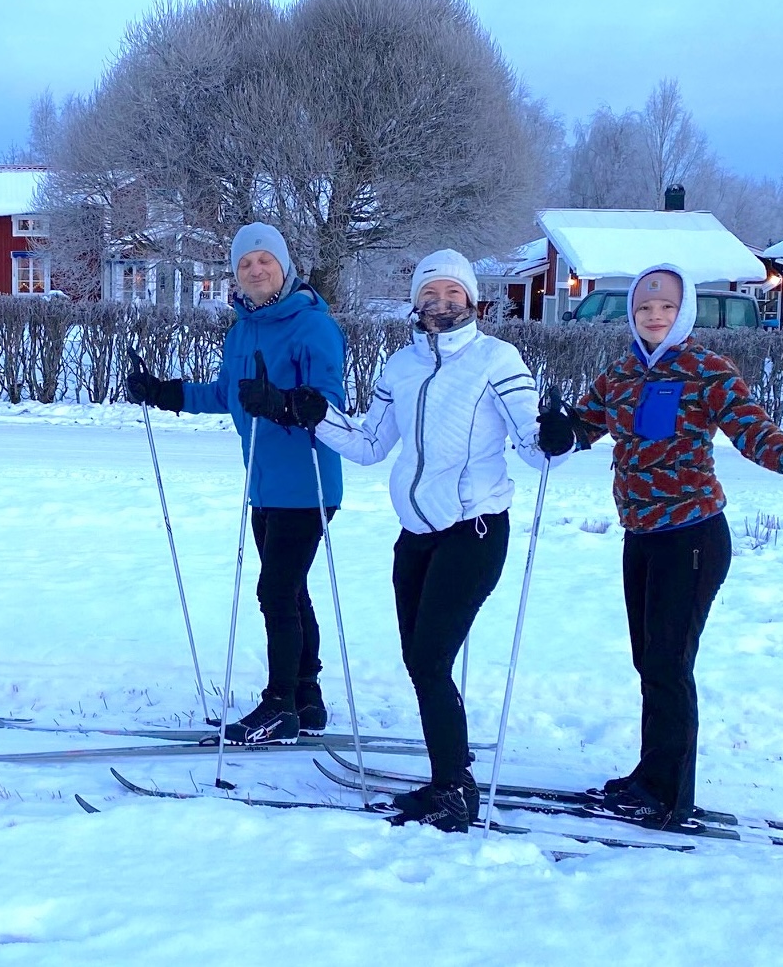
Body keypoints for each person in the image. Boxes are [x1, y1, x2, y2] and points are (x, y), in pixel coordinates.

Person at [246, 249, 575, 831]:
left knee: (429, 659)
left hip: (474, 530)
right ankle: (450, 772)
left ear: (472, 300)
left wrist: (556, 434)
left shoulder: (497, 359)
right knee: (421, 662)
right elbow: (370, 444)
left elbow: (535, 447)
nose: (441, 304)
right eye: (430, 294)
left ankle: (454, 788)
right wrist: (305, 410)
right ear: (417, 303)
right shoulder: (400, 367)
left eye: (453, 294)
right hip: (415, 536)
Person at [568, 264, 783, 826]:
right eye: (645, 308)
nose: (655, 316)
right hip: (640, 535)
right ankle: (650, 774)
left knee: (669, 662)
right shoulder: (620, 373)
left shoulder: (707, 370)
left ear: (684, 311)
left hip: (692, 535)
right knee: (650, 661)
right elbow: (584, 424)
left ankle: (667, 793)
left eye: (666, 307)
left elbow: (750, 428)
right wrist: (557, 430)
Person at [126, 223, 346, 745]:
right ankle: (306, 697)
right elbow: (226, 394)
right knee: (292, 591)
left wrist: (284, 403)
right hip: (263, 486)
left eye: (265, 260)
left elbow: (330, 404)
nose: (255, 270)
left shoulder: (313, 326)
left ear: (284, 267)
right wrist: (163, 392)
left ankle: (279, 705)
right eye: (245, 263)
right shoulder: (242, 330)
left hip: (307, 484)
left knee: (276, 592)